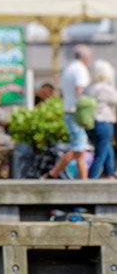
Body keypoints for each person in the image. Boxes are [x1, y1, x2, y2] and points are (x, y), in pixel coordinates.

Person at [54, 46, 94, 182]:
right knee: (79, 147)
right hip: (76, 113)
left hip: (69, 111)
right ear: (86, 58)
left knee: (79, 149)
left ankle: (84, 179)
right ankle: (54, 172)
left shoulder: (69, 68)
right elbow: (80, 90)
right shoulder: (80, 69)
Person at [86, 59, 117, 181]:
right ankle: (91, 179)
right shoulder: (106, 89)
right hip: (104, 123)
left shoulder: (89, 88)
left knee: (107, 148)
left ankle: (110, 174)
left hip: (90, 124)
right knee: (101, 153)